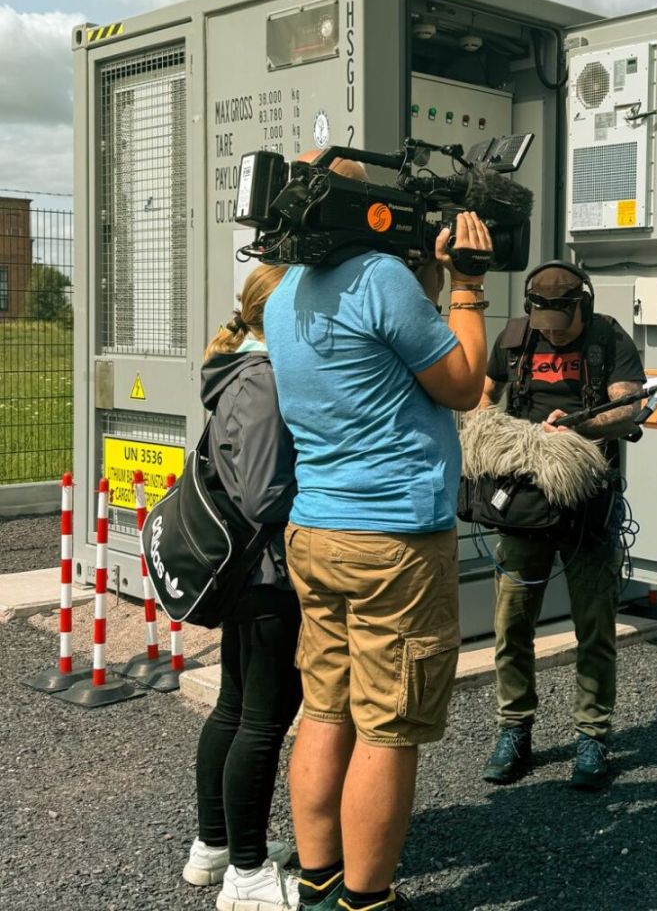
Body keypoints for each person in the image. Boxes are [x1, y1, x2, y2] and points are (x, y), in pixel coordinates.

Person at [263, 153, 493, 911]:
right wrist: (466, 287)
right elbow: (462, 384)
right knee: (389, 723)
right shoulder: (381, 281)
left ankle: (320, 879)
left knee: (325, 707)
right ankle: (370, 899)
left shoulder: (284, 291)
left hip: (317, 530)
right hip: (393, 537)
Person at [477, 261, 645, 790]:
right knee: (511, 623)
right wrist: (504, 440)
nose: (550, 330)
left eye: (559, 321)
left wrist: (575, 430)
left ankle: (592, 734)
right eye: (542, 319)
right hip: (525, 503)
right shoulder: (513, 337)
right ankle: (514, 730)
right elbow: (483, 398)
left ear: (582, 306)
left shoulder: (606, 338)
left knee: (594, 624)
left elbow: (631, 409)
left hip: (589, 506)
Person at [183, 263, 303, 911]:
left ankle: (215, 848)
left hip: (242, 569)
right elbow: (263, 493)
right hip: (266, 573)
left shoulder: (239, 370)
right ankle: (249, 875)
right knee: (262, 719)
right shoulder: (265, 380)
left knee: (234, 708)